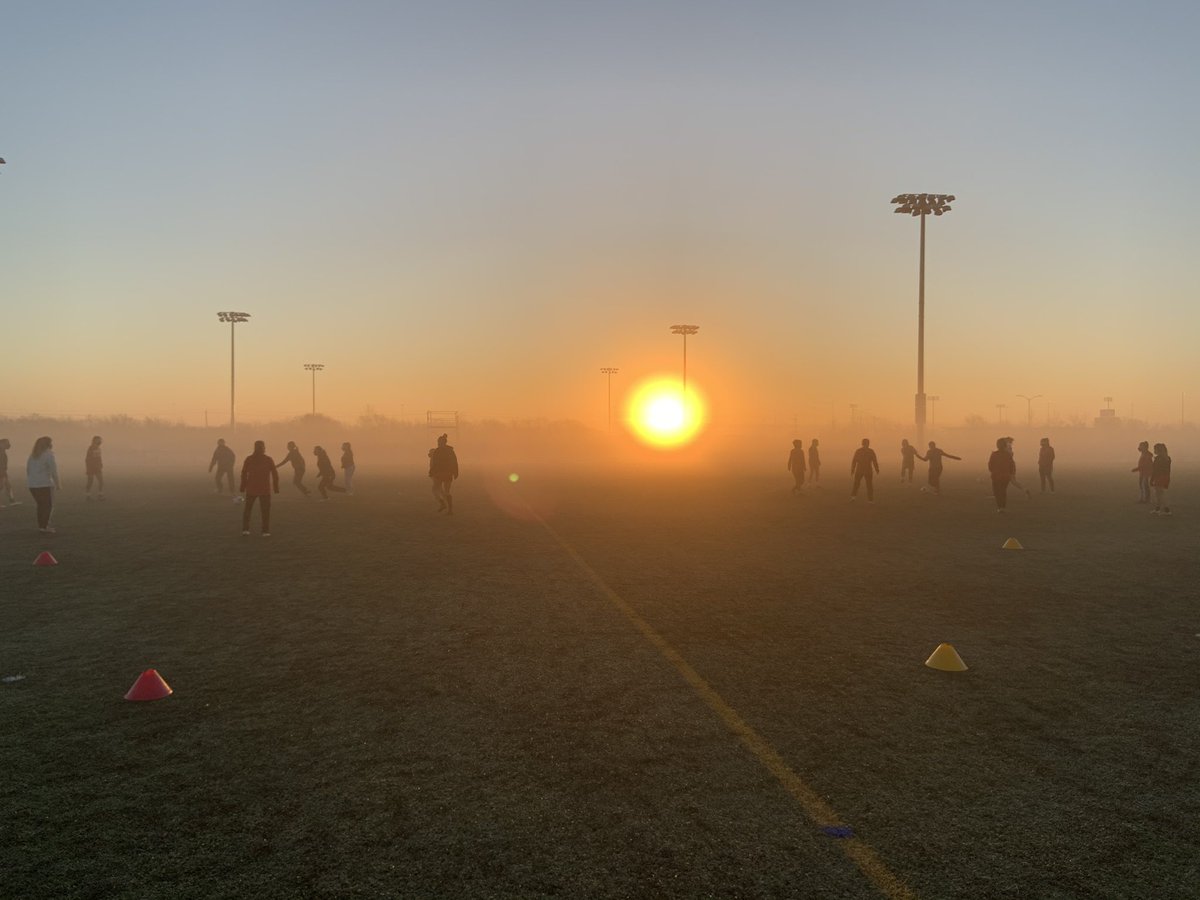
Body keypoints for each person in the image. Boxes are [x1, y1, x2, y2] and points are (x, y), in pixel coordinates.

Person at [239, 440, 279, 535]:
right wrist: (276, 487)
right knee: (265, 511)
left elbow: (244, 473)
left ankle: (245, 529)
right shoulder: (268, 459)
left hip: (251, 488)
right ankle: (265, 531)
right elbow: (275, 474)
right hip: (264, 489)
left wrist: (243, 486)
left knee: (248, 510)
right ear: (264, 448)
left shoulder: (249, 459)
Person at [26, 436, 60, 533]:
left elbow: (28, 470)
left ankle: (42, 526)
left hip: (32, 484)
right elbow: (54, 470)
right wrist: (58, 483)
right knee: (48, 505)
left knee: (41, 505)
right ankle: (45, 526)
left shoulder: (32, 455)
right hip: (44, 484)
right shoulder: (49, 454)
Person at [428, 433, 459, 513]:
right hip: (448, 473)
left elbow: (434, 463)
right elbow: (454, 462)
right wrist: (455, 472)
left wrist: (431, 472)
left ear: (441, 442)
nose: (438, 444)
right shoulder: (450, 450)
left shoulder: (437, 451)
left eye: (439, 442)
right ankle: (450, 510)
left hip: (439, 474)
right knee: (446, 491)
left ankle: (442, 503)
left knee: (435, 489)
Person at [988, 437, 1016, 512]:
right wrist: (1011, 473)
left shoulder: (994, 454)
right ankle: (1003, 507)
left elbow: (990, 465)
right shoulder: (1008, 455)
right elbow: (1012, 465)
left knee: (997, 492)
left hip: (996, 476)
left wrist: (993, 471)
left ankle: (1000, 507)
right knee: (1003, 491)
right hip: (1006, 477)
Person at [850, 438, 879, 502]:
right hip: (864, 470)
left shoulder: (859, 451)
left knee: (866, 485)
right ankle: (854, 497)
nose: (866, 445)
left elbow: (874, 460)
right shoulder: (869, 451)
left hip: (863, 470)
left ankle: (869, 500)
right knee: (859, 484)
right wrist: (876, 469)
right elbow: (854, 461)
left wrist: (877, 468)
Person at [1150, 443, 1172, 516]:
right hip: (1165, 477)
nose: (1154, 450)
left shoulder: (1158, 459)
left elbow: (1155, 470)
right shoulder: (1167, 458)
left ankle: (1166, 510)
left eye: (1155, 449)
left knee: (1160, 494)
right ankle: (1158, 509)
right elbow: (1168, 470)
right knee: (1160, 494)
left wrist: (1152, 479)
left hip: (1159, 477)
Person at [0, 438, 20, 508]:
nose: (8, 445)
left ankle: (12, 501)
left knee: (8, 486)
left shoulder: (2, 452)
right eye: (6, 443)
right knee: (2, 486)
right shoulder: (1, 452)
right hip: (1, 472)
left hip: (3, 472)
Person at [85, 435, 105, 501]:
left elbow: (99, 457)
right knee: (90, 481)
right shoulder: (91, 448)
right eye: (98, 440)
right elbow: (87, 459)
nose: (100, 441)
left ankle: (100, 495)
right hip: (91, 467)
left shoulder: (99, 448)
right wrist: (88, 468)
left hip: (98, 467)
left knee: (101, 481)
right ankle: (88, 495)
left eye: (100, 440)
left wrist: (101, 464)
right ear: (94, 441)